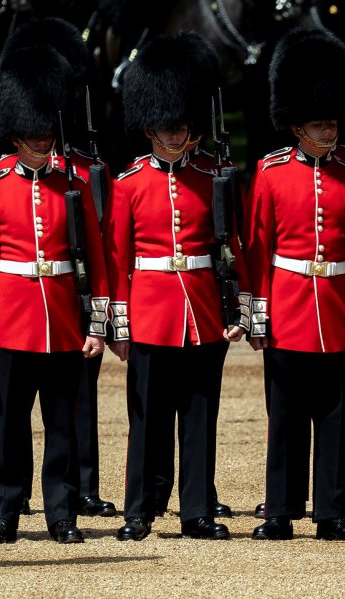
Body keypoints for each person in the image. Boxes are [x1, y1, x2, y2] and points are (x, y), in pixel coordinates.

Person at [105, 32, 251, 542]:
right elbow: (119, 260)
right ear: (150, 128)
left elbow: (234, 249)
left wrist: (240, 310)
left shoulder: (215, 175)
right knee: (146, 420)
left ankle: (197, 511)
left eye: (184, 124)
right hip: (149, 311)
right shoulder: (129, 184)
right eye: (169, 125)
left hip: (204, 310)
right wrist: (118, 324)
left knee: (199, 416)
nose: (179, 132)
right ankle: (139, 510)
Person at [245, 27, 345, 541]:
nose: (327, 134)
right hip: (288, 305)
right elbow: (258, 248)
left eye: (331, 124)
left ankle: (331, 511)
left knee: (335, 415)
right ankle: (279, 511)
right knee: (283, 417)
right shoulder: (271, 172)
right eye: (317, 126)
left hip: (340, 306)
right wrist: (257, 311)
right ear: (295, 127)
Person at [0, 45, 110, 544]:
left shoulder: (72, 185)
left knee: (62, 425)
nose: (43, 144)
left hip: (63, 321)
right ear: (15, 136)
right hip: (12, 320)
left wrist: (96, 324)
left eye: (47, 137)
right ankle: (3, 514)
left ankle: (62, 513)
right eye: (34, 139)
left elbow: (94, 259)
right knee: (8, 424)